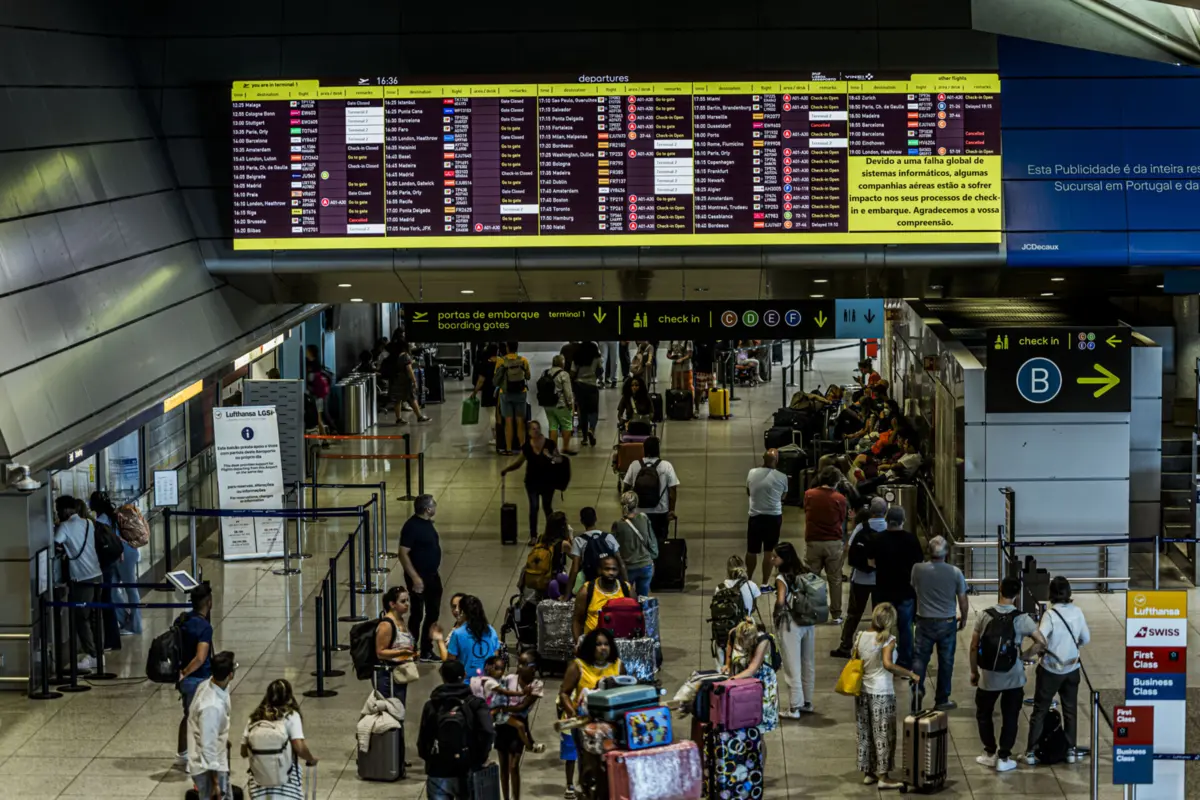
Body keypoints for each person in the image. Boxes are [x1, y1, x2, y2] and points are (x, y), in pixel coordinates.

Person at [971, 576, 1047, 773]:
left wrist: (974, 672)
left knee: (983, 714)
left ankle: (989, 752)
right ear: (1017, 595)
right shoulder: (1022, 619)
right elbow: (1041, 642)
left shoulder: (983, 615)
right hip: (1013, 678)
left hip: (988, 677)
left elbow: (973, 646)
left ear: (999, 589)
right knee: (1010, 717)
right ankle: (1004, 757)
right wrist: (1023, 656)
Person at [1024, 576, 1091, 765]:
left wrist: (1025, 655)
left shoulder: (1050, 615)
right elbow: (1086, 638)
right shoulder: (1077, 612)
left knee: (1040, 710)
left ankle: (1031, 751)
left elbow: (1041, 640)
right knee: (1070, 710)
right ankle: (1070, 749)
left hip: (1050, 669)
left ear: (1051, 593)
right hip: (1072, 669)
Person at [854, 603, 919, 789]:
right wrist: (910, 674)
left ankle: (869, 772)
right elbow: (888, 664)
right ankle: (884, 776)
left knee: (866, 733)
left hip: (863, 692)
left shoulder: (859, 636)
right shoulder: (888, 640)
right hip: (881, 692)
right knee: (884, 735)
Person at [558, 628, 623, 800]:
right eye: (599, 644)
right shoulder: (578, 666)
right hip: (586, 725)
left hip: (612, 725)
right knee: (588, 765)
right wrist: (573, 714)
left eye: (606, 644)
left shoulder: (618, 665)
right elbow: (564, 692)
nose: (603, 648)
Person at [418, 660, 496, 800]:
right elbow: (488, 731)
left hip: (439, 769)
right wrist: (480, 758)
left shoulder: (432, 705)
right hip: (468, 768)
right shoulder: (475, 704)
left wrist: (430, 760)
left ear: (442, 676)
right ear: (464, 675)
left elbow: (424, 739)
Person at [911, 535, 969, 711]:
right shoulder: (955, 572)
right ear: (947, 553)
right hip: (947, 621)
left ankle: (917, 690)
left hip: (924, 620)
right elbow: (963, 600)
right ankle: (942, 699)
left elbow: (914, 590)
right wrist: (964, 618)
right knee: (946, 661)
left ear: (929, 552)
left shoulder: (918, 569)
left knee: (920, 659)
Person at [240, 678, 318, 799]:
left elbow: (243, 752)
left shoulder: (254, 718)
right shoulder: (291, 716)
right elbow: (299, 747)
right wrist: (311, 759)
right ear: (288, 697)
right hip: (286, 783)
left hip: (258, 785)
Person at [869, 506, 924, 670]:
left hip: (883, 589)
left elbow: (870, 562)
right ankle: (905, 661)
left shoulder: (878, 539)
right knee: (906, 627)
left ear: (886, 519)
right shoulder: (911, 539)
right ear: (903, 521)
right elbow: (918, 564)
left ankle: (880, 657)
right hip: (905, 589)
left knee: (881, 625)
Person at [833, 499, 887, 658]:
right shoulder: (889, 528)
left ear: (870, 510)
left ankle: (845, 646)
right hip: (881, 580)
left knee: (854, 614)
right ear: (885, 511)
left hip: (861, 579)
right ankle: (880, 647)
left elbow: (848, 548)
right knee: (881, 614)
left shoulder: (861, 527)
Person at [54, 495, 102, 670]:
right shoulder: (88, 523)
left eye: (58, 509)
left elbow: (55, 543)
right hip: (97, 573)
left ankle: (92, 655)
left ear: (66, 510)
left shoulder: (65, 527)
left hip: (81, 577)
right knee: (96, 617)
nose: (57, 513)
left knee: (81, 618)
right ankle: (99, 653)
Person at [501, 420, 563, 546]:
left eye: (537, 428)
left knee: (547, 507)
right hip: (532, 482)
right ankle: (533, 536)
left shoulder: (549, 444)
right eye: (533, 429)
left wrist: (549, 456)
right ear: (529, 432)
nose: (536, 430)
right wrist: (507, 469)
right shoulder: (527, 447)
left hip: (547, 483)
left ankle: (550, 534)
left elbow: (559, 459)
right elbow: (519, 463)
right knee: (534, 507)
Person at [772, 542, 815, 718]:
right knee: (807, 663)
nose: (772, 559)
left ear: (784, 558)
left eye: (776, 556)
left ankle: (794, 707)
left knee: (792, 665)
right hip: (809, 621)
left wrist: (776, 615)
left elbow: (781, 601)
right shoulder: (805, 571)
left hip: (791, 624)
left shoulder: (782, 578)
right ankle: (807, 702)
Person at [186, 650, 237, 800]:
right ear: (230, 675)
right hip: (208, 768)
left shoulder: (207, 684)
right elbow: (208, 748)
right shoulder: (211, 707)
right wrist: (215, 783)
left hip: (213, 760)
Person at [398, 494, 442, 662]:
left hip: (431, 575)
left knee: (433, 612)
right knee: (417, 613)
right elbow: (403, 554)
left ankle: (426, 649)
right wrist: (415, 578)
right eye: (434, 505)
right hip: (419, 577)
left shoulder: (426, 523)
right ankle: (412, 648)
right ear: (427, 509)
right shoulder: (412, 527)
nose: (436, 507)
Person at [90, 491, 141, 636]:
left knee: (129, 589)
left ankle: (135, 625)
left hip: (122, 554)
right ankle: (127, 621)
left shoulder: (103, 519)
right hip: (124, 552)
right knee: (113, 590)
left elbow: (112, 539)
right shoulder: (111, 515)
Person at [803, 466, 848, 625]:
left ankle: (811, 612)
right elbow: (842, 518)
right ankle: (836, 614)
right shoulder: (840, 498)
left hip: (813, 542)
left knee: (812, 579)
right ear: (836, 481)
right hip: (833, 543)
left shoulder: (809, 495)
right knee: (835, 579)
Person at [177, 582, 215, 764]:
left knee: (188, 716)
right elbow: (200, 658)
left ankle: (182, 754)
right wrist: (186, 672)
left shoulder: (182, 619)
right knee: (199, 720)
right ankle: (193, 758)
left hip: (184, 680)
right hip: (198, 679)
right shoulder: (204, 627)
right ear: (209, 602)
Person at [621, 437, 680, 544]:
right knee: (660, 541)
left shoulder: (635, 465)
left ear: (644, 450)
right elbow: (672, 490)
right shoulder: (666, 466)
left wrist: (626, 509)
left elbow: (626, 488)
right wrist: (671, 510)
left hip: (638, 512)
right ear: (658, 450)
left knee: (640, 542)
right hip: (661, 512)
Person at [724, 620, 779, 732]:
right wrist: (727, 666)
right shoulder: (734, 633)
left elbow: (752, 669)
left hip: (762, 683)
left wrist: (731, 680)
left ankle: (759, 748)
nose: (743, 645)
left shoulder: (763, 641)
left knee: (758, 729)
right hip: (741, 682)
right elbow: (729, 653)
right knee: (740, 726)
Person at [432, 594, 500, 680]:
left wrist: (439, 640)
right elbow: (495, 657)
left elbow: (450, 664)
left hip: (467, 684)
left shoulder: (458, 634)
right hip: (488, 683)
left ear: (463, 612)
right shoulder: (491, 631)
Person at [746, 449, 789, 585]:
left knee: (752, 550)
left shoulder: (752, 473)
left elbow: (748, 491)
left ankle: (749, 578)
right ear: (776, 460)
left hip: (755, 516)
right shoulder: (782, 477)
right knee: (769, 551)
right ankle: (764, 583)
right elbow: (784, 496)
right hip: (773, 517)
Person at [83, 494, 120, 650]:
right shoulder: (109, 517)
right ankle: (113, 639)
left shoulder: (100, 521)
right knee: (109, 600)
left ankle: (109, 641)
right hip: (110, 563)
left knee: (106, 602)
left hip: (103, 566)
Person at [572, 556, 634, 641]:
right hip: (593, 643)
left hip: (620, 642)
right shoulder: (587, 590)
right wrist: (578, 644)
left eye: (614, 569)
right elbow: (577, 620)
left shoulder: (627, 589)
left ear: (618, 571)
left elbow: (635, 616)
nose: (611, 573)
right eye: (607, 569)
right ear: (599, 570)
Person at [566, 507, 625, 595]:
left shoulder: (579, 540)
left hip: (591, 585)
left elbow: (575, 569)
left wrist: (567, 594)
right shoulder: (609, 537)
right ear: (596, 519)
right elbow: (621, 563)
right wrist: (626, 586)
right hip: (610, 584)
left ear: (581, 521)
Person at [374, 586, 417, 704]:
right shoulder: (386, 625)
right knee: (391, 712)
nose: (407, 604)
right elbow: (380, 652)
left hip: (399, 673)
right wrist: (402, 652)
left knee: (399, 709)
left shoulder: (401, 620)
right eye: (403, 601)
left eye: (408, 600)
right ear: (392, 604)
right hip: (388, 676)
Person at [611, 491, 657, 598]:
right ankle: (642, 613)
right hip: (646, 565)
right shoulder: (644, 518)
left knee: (627, 598)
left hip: (628, 567)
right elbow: (651, 540)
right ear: (636, 504)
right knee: (643, 598)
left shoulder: (618, 525)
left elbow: (613, 547)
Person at [494, 341, 532, 454]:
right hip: (520, 393)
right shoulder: (523, 360)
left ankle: (509, 448)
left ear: (507, 348)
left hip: (505, 393)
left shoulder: (501, 361)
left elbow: (497, 378)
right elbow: (528, 377)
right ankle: (522, 447)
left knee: (508, 421)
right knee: (520, 421)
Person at [383, 340, 431, 426]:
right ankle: (419, 416)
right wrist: (414, 381)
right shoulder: (405, 356)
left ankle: (399, 418)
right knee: (412, 398)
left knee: (397, 400)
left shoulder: (393, 356)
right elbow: (409, 369)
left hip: (394, 380)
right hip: (404, 381)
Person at [542, 355, 577, 454]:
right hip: (561, 404)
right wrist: (571, 404)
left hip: (547, 404)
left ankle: (553, 449)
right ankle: (565, 447)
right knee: (567, 425)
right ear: (562, 363)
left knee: (553, 426)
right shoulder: (564, 374)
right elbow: (568, 391)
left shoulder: (545, 372)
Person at [571, 341, 603, 447]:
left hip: (580, 386)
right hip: (592, 386)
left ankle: (584, 438)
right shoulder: (596, 358)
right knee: (594, 411)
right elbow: (600, 370)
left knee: (583, 412)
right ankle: (591, 429)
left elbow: (572, 372)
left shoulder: (577, 357)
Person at [471, 343, 501, 442]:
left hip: (489, 391)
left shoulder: (485, 364)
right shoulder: (501, 362)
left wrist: (475, 392)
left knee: (492, 414)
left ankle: (496, 437)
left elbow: (481, 380)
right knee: (500, 414)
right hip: (501, 390)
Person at [304, 344, 336, 436]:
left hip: (319, 395)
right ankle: (326, 435)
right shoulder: (311, 363)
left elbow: (312, 380)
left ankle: (331, 431)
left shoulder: (315, 366)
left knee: (321, 416)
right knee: (320, 416)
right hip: (318, 394)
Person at [691, 340, 716, 416]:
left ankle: (713, 410)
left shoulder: (712, 340)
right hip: (701, 368)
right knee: (699, 390)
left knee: (713, 391)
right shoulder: (697, 341)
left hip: (711, 369)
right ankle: (697, 409)